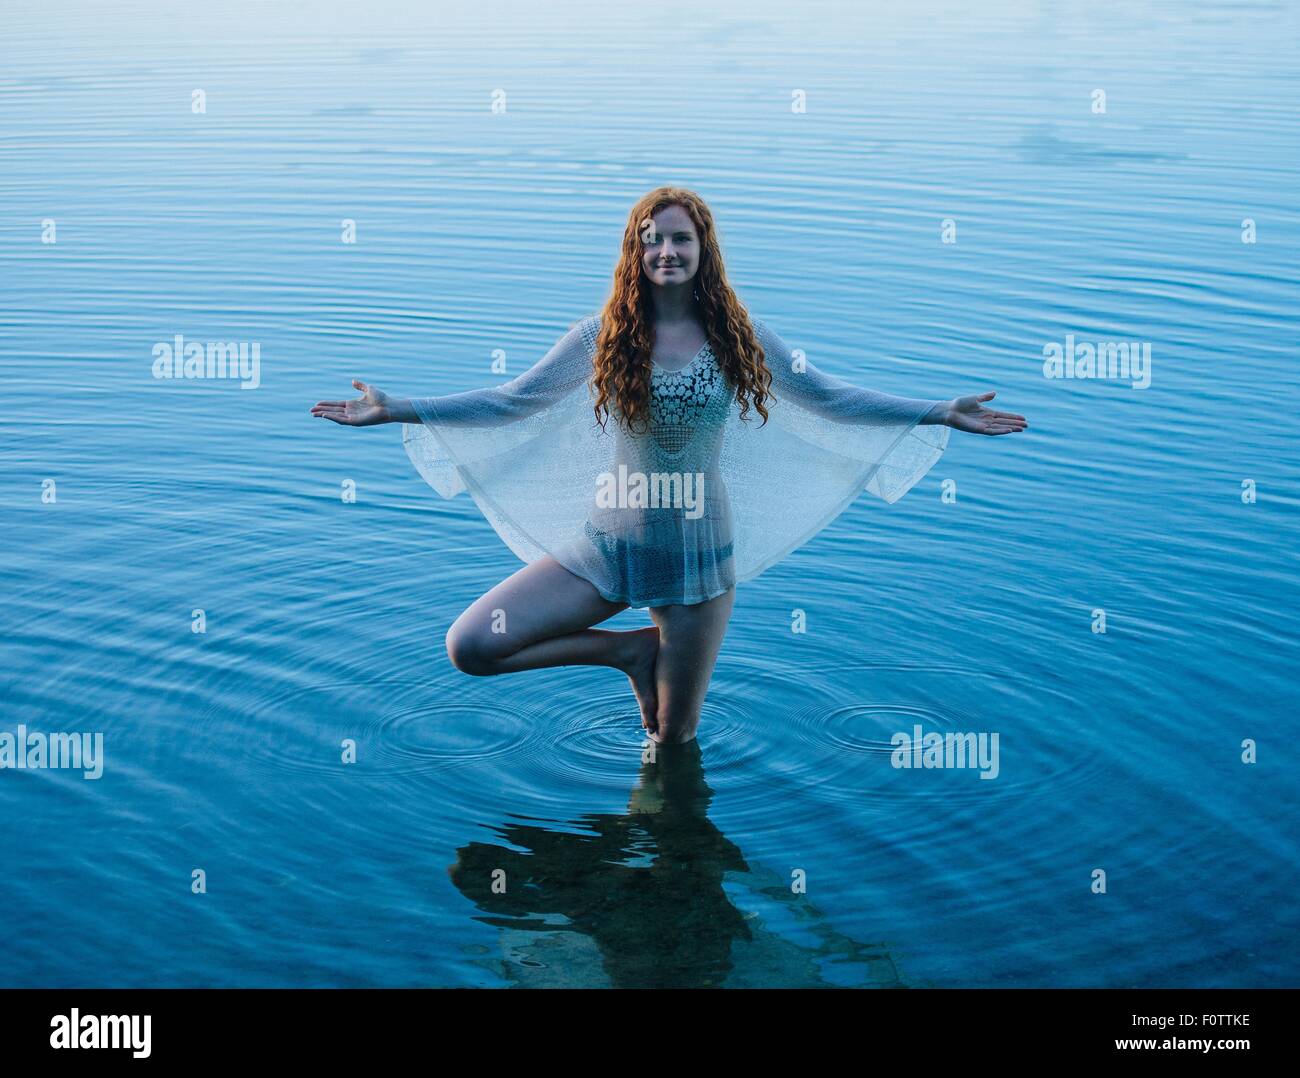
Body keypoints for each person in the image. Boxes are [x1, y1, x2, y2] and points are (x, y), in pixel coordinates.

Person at [311, 186, 1027, 744]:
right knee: (471, 646)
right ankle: (627, 652)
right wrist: (399, 407)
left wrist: (937, 410)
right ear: (635, 252)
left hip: (699, 565)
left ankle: (670, 891)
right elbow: (513, 401)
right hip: (608, 549)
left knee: (669, 740)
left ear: (703, 248)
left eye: (679, 240)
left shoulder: (739, 336)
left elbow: (831, 398)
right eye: (651, 242)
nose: (666, 253)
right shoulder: (599, 337)